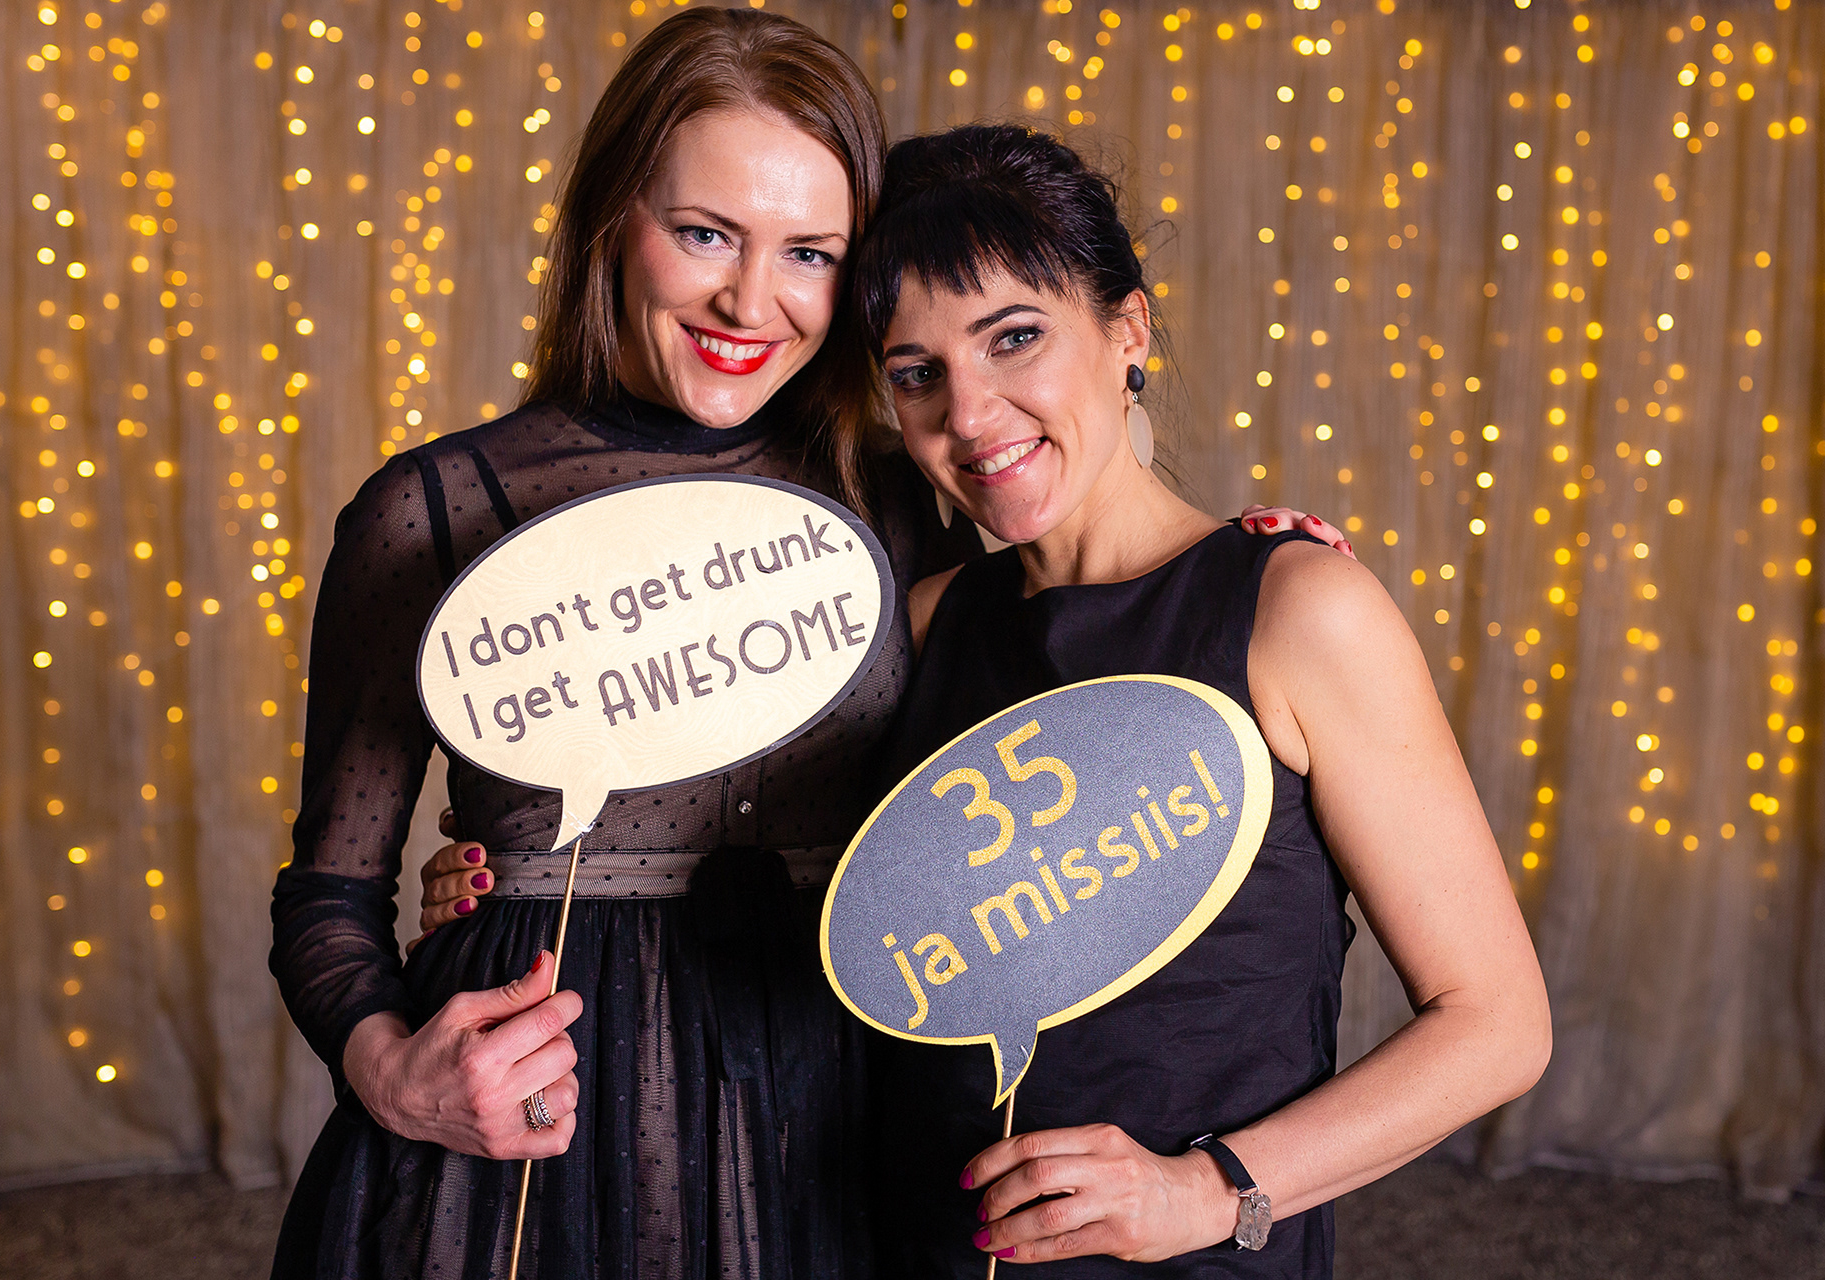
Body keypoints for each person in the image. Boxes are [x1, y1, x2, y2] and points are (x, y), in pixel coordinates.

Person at [273, 10, 1345, 1280]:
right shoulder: (438, 509)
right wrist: (391, 1066)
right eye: (703, 233)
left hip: (831, 1100)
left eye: (809, 253)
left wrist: (1236, 555)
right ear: (615, 217)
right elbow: (327, 893)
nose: (750, 298)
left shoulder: (900, 491)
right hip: (542, 1124)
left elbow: (1075, 595)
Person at [843, 125, 1551, 1276]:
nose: (968, 414)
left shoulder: (1297, 610)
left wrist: (1208, 1188)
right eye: (918, 372)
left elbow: (1498, 1024)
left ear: (1126, 331)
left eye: (1014, 337)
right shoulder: (926, 625)